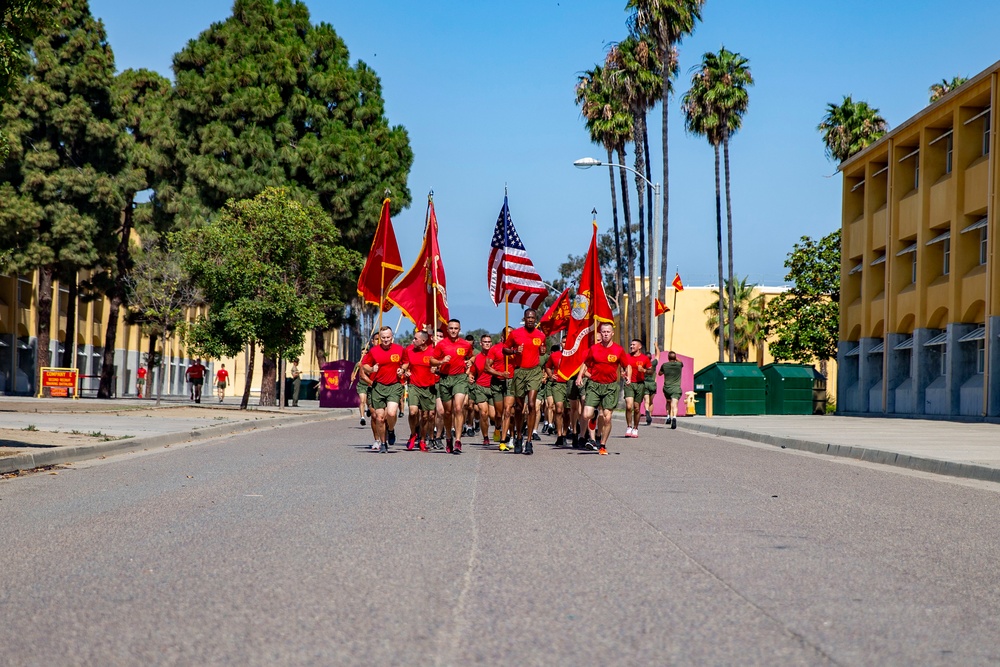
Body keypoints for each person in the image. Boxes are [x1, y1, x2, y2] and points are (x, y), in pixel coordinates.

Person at [576, 322, 627, 455]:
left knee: (607, 418)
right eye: (603, 332)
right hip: (594, 384)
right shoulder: (594, 348)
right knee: (586, 414)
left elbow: (626, 365)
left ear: (612, 333)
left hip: (610, 386)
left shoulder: (618, 350)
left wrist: (627, 376)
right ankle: (594, 417)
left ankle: (602, 444)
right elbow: (585, 363)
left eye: (607, 332)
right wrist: (579, 377)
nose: (605, 334)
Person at [502, 308, 547, 455]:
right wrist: (515, 351)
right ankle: (519, 438)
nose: (530, 320)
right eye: (528, 317)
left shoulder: (540, 335)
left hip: (534, 371)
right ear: (524, 318)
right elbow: (505, 349)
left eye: (533, 318)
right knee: (520, 408)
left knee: (532, 404)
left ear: (536, 319)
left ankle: (529, 441)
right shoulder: (515, 334)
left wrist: (542, 351)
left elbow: (542, 350)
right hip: (520, 371)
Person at [430, 319, 473, 454]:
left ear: (459, 330)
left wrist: (469, 363)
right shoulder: (441, 344)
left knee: (459, 408)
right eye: (451, 328)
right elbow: (432, 360)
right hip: (445, 379)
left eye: (456, 328)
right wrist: (442, 361)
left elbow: (471, 357)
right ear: (447, 330)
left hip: (460, 378)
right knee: (447, 412)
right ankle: (448, 436)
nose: (453, 330)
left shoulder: (465, 344)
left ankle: (458, 440)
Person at [360, 326, 405, 453]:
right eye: (383, 338)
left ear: (392, 337)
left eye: (388, 337)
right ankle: (383, 443)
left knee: (391, 413)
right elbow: (365, 367)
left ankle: (391, 429)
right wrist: (371, 369)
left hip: (394, 385)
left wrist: (402, 369)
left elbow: (406, 363)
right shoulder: (374, 351)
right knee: (379, 417)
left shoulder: (400, 349)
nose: (385, 340)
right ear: (380, 338)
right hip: (378, 386)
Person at [403, 330, 437, 452]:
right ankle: (413, 434)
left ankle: (422, 439)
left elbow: (441, 366)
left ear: (423, 341)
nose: (413, 340)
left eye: (416, 339)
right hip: (414, 385)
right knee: (413, 412)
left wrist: (436, 369)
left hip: (428, 387)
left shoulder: (433, 351)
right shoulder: (409, 350)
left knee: (425, 416)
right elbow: (404, 363)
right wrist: (405, 371)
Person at [485, 326, 514, 450]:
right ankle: (497, 427)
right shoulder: (495, 349)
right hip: (497, 382)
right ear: (503, 335)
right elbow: (487, 367)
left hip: (511, 382)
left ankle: (507, 439)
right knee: (499, 413)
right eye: (507, 334)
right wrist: (500, 374)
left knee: (509, 412)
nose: (510, 336)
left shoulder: (516, 350)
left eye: (512, 334)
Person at [468, 333, 496, 447]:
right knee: (483, 413)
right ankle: (485, 437)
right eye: (485, 342)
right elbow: (472, 372)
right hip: (480, 388)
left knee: (494, 416)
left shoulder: (495, 356)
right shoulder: (477, 358)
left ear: (491, 343)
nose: (487, 344)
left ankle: (498, 429)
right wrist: (470, 376)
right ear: (481, 343)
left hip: (494, 387)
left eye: (489, 342)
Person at [623, 339, 651, 438]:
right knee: (629, 406)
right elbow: (623, 367)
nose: (631, 346)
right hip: (629, 383)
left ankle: (635, 428)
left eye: (634, 345)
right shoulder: (626, 357)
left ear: (639, 347)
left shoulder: (645, 358)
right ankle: (629, 427)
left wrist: (643, 370)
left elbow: (651, 371)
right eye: (631, 344)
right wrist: (623, 373)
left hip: (640, 384)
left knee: (637, 408)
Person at [544, 341, 569, 447]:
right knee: (558, 409)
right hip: (558, 384)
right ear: (560, 343)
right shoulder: (555, 355)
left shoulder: (574, 356)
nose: (565, 344)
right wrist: (550, 375)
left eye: (567, 342)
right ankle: (559, 435)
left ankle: (565, 433)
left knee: (568, 412)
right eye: (564, 342)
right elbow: (547, 366)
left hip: (570, 384)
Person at [658, 350, 683, 429]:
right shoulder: (679, 365)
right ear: (675, 358)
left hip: (667, 388)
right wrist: (676, 358)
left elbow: (659, 373)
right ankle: (674, 417)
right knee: (674, 404)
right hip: (676, 388)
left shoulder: (664, 365)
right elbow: (681, 361)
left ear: (668, 358)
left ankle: (668, 416)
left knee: (668, 402)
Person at [643, 348, 659, 426]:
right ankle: (650, 415)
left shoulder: (642, 364)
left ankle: (646, 410)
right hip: (652, 383)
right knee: (651, 401)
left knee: (646, 400)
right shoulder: (654, 363)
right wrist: (656, 346)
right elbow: (658, 355)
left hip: (645, 383)